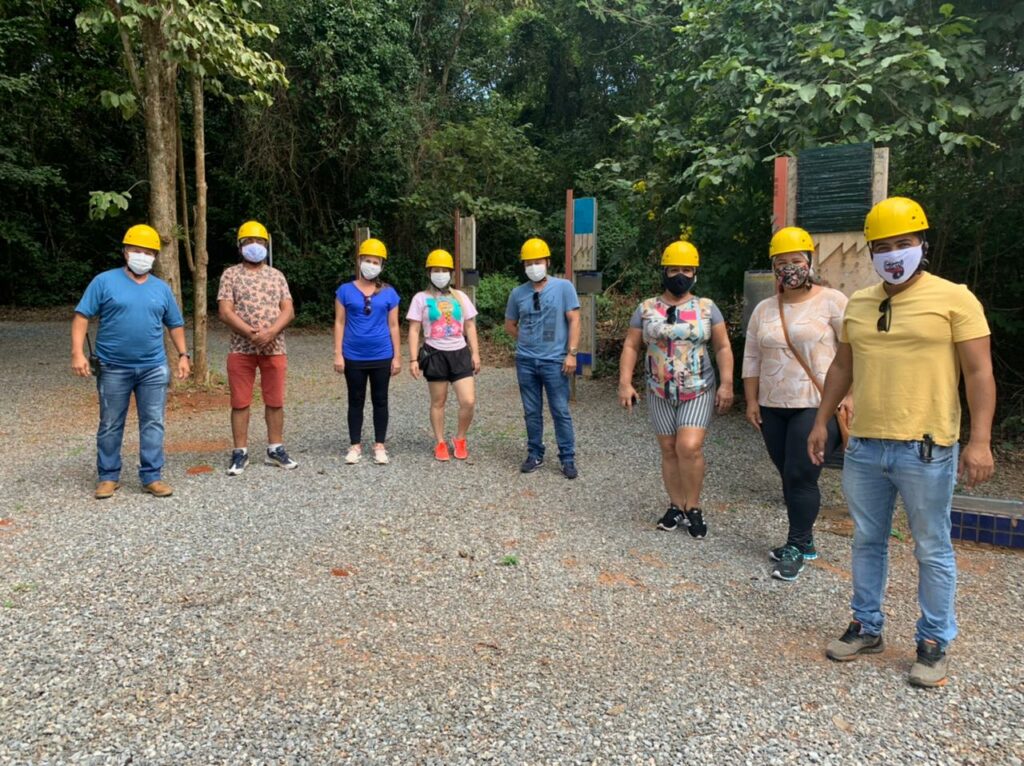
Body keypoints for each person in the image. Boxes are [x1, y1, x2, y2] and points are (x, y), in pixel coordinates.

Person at [808, 197, 996, 688]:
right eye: (883, 246)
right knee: (868, 540)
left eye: (904, 244)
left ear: (922, 245)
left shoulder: (956, 299)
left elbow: (979, 373)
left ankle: (934, 640)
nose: (894, 254)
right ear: (870, 253)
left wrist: (980, 441)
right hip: (866, 445)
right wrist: (821, 421)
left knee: (932, 546)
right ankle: (866, 625)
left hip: (927, 446)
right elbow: (842, 367)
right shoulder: (862, 302)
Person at [742, 227, 849, 581]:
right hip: (773, 404)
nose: (789, 268)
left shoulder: (833, 302)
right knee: (788, 473)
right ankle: (805, 538)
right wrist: (752, 399)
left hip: (816, 403)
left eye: (795, 261)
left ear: (809, 262)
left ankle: (797, 544)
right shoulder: (764, 309)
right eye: (781, 262)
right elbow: (753, 356)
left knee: (800, 474)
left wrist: (850, 396)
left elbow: (854, 353)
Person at [618, 240, 734, 537]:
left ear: (695, 273)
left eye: (686, 269)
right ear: (664, 271)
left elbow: (722, 346)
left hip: (698, 388)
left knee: (689, 446)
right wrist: (625, 382)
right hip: (659, 390)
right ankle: (676, 505)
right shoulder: (646, 309)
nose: (679, 275)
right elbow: (632, 345)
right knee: (669, 449)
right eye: (674, 269)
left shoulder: (707, 308)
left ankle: (693, 507)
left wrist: (727, 383)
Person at [70, 224, 191, 498]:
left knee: (153, 422)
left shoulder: (161, 289)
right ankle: (108, 476)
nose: (142, 256)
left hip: (153, 367)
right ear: (125, 252)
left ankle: (152, 476)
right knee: (111, 422)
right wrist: (77, 353)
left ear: (155, 257)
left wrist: (184, 355)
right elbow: (81, 317)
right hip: (113, 367)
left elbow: (175, 323)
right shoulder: (104, 282)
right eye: (137, 250)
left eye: (149, 252)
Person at [217, 220, 297, 475]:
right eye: (249, 241)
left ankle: (275, 448)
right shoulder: (230, 274)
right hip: (241, 348)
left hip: (275, 348)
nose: (255, 246)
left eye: (260, 242)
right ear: (240, 246)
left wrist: (271, 332)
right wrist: (251, 333)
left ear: (267, 245)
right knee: (240, 401)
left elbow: (288, 309)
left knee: (275, 400)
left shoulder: (277, 276)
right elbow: (225, 311)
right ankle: (240, 452)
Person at [504, 237, 581, 479]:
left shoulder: (564, 287)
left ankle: (567, 457)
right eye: (528, 263)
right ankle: (535, 452)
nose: (533, 267)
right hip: (526, 360)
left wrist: (571, 353)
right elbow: (510, 324)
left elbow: (575, 319)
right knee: (531, 410)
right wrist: (526, 341)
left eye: (537, 261)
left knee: (560, 409)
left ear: (547, 262)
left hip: (555, 360)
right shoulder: (518, 293)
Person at [407, 249, 481, 461]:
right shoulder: (421, 298)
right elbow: (413, 330)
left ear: (451, 273)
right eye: (435, 270)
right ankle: (440, 442)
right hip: (434, 353)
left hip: (459, 353)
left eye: (444, 270)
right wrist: (413, 359)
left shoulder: (460, 297)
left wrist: (475, 353)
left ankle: (460, 438)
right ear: (429, 272)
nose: (440, 274)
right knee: (438, 401)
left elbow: (470, 326)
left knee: (468, 400)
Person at [334, 238, 401, 465]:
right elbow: (339, 322)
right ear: (360, 261)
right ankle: (355, 445)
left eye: (376, 261)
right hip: (353, 355)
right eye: (367, 260)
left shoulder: (389, 293)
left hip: (382, 354)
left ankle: (380, 445)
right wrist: (337, 353)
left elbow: (394, 325)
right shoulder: (344, 291)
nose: (371, 265)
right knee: (355, 399)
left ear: (381, 265)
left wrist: (398, 357)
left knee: (380, 400)